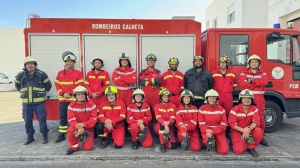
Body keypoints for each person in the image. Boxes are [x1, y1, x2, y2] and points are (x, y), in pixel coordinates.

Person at [15, 56, 52, 145]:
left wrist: (40, 93)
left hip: (39, 102)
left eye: (31, 63)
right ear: (25, 65)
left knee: (42, 119)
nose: (30, 65)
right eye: (28, 64)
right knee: (27, 120)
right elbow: (17, 86)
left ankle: (44, 136)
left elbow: (48, 86)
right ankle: (30, 137)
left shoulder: (42, 74)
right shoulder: (21, 75)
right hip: (26, 103)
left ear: (35, 65)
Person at [239, 54, 269, 146]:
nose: (254, 63)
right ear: (249, 63)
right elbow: (243, 84)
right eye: (252, 62)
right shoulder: (244, 73)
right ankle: (247, 134)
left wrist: (251, 81)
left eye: (256, 62)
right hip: (247, 99)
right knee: (246, 118)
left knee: (260, 118)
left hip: (259, 99)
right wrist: (257, 83)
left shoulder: (263, 73)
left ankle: (261, 136)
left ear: (258, 63)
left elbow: (265, 82)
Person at [54, 51, 84, 143]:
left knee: (76, 118)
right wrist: (62, 94)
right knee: (63, 117)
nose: (69, 63)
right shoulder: (60, 73)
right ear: (65, 62)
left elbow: (80, 85)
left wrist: (71, 93)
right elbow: (57, 84)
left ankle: (78, 134)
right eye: (67, 61)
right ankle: (61, 135)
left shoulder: (78, 73)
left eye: (71, 61)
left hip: (74, 100)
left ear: (74, 63)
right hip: (63, 100)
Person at [228, 89, 263, 157]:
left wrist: (248, 130)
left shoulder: (254, 109)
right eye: (244, 98)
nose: (247, 100)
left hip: (249, 130)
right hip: (237, 131)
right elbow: (231, 124)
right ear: (241, 99)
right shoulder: (235, 109)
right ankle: (238, 141)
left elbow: (256, 122)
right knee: (238, 151)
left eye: (248, 98)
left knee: (258, 131)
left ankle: (251, 147)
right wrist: (243, 130)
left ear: (251, 100)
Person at [65, 86, 97, 155]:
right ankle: (74, 146)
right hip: (76, 127)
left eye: (82, 94)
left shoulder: (92, 105)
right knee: (70, 130)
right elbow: (71, 119)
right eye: (78, 94)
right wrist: (78, 127)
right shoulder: (71, 105)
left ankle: (82, 138)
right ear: (75, 96)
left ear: (86, 95)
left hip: (88, 128)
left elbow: (94, 119)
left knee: (88, 148)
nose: (80, 96)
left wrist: (84, 125)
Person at [198, 89, 229, 155]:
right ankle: (207, 142)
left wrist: (213, 131)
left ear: (217, 99)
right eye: (210, 98)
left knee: (224, 151)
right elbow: (201, 124)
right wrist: (207, 131)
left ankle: (216, 143)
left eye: (214, 98)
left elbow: (224, 124)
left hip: (218, 131)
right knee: (209, 145)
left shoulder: (221, 109)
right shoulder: (202, 109)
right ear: (206, 98)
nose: (211, 100)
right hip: (207, 131)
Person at [139, 53, 162, 122]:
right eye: (149, 60)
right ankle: (146, 127)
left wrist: (147, 80)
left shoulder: (158, 72)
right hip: (146, 96)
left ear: (154, 62)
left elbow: (159, 81)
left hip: (155, 97)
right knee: (145, 113)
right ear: (147, 62)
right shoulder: (143, 72)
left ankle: (156, 127)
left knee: (156, 113)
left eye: (152, 60)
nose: (151, 62)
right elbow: (141, 82)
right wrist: (153, 80)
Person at [153, 88, 177, 152]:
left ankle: (165, 140)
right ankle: (162, 144)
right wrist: (164, 124)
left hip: (169, 127)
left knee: (173, 145)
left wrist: (168, 123)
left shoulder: (173, 106)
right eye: (164, 97)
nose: (166, 98)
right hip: (158, 126)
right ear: (161, 97)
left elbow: (173, 117)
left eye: (167, 97)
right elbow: (158, 118)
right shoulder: (157, 106)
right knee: (162, 128)